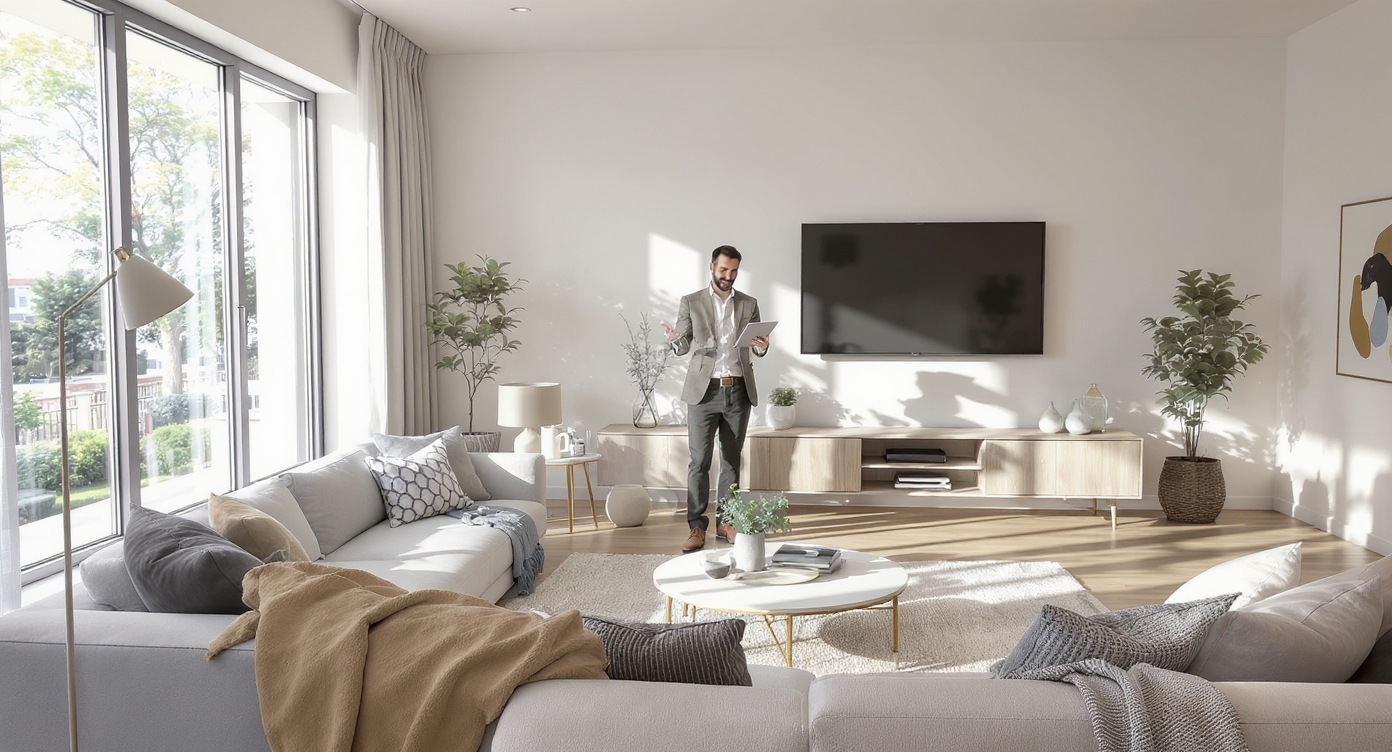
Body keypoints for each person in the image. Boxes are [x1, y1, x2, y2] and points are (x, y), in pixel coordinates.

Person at [662, 245, 770, 553]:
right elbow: (682, 345)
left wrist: (763, 344)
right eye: (723, 270)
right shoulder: (692, 301)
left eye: (734, 271)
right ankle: (696, 527)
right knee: (699, 462)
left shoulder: (749, 303)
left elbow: (758, 347)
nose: (728, 276)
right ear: (712, 267)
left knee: (731, 462)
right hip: (703, 392)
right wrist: (674, 340)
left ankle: (727, 523)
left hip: (738, 389)